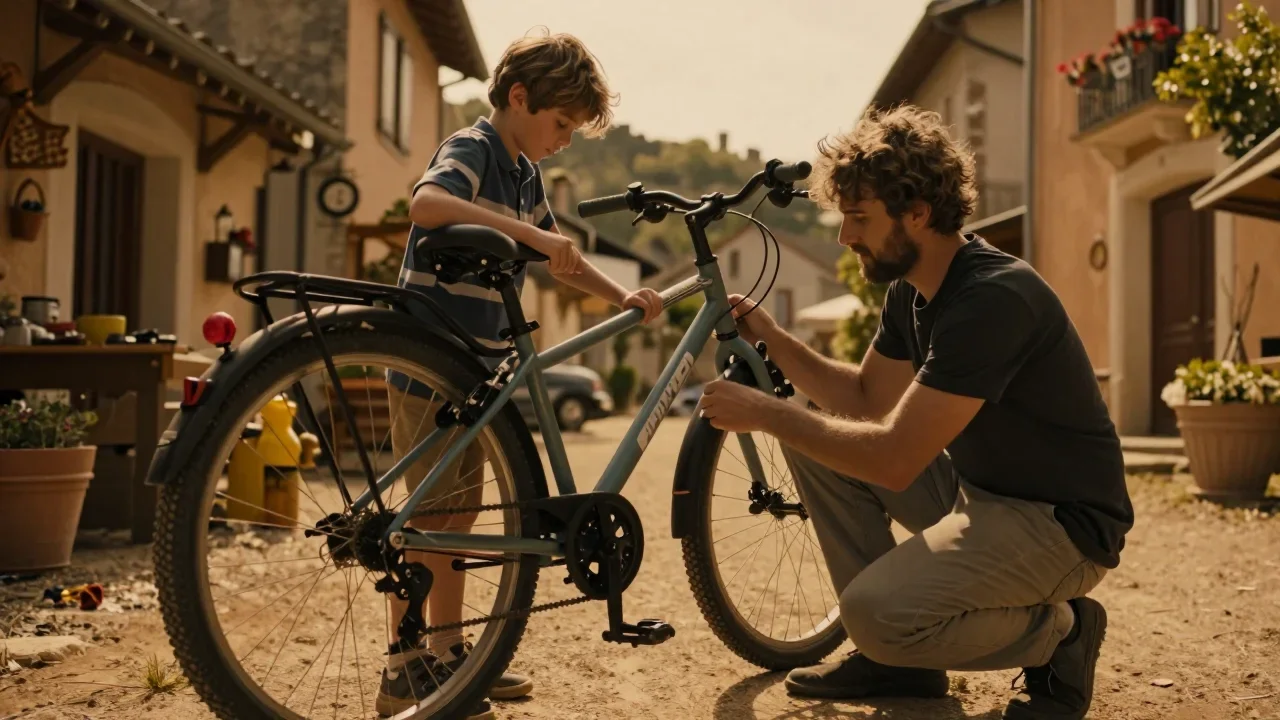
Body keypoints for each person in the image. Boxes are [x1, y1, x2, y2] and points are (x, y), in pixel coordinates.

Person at [698, 104, 1133, 720]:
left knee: (873, 615)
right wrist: (769, 334)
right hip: (981, 498)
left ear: (918, 214)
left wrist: (768, 413)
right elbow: (866, 400)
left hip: (1061, 528)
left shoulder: (992, 298)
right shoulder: (912, 289)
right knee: (814, 437)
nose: (845, 237)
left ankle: (1061, 635)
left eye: (859, 218)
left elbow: (895, 459)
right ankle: (898, 663)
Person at [377, 30, 664, 719]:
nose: (564, 140)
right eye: (560, 123)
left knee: (459, 516)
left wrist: (620, 296)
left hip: (474, 370)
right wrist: (529, 235)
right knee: (428, 520)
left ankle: (450, 654)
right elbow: (426, 205)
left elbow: (561, 258)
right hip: (428, 361)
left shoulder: (526, 175)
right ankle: (402, 667)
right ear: (518, 97)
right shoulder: (474, 147)